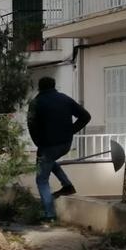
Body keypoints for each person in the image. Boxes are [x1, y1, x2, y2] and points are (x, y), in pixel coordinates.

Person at [27, 77, 91, 222]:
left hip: (47, 146)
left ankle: (49, 215)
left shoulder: (36, 103)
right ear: (54, 86)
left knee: (41, 179)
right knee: (48, 162)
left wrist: (38, 143)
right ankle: (67, 185)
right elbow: (86, 116)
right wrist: (71, 131)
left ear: (39, 87)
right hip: (65, 144)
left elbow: (31, 126)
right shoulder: (65, 99)